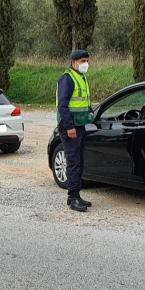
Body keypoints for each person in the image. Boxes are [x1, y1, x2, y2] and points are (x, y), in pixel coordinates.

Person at [57, 49, 93, 212]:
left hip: (79, 125)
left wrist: (90, 111)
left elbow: (82, 101)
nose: (86, 64)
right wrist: (69, 126)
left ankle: (76, 196)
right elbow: (62, 106)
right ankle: (73, 198)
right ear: (73, 62)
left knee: (79, 162)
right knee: (73, 163)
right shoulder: (67, 79)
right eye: (83, 61)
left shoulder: (81, 77)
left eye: (87, 60)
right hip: (70, 127)